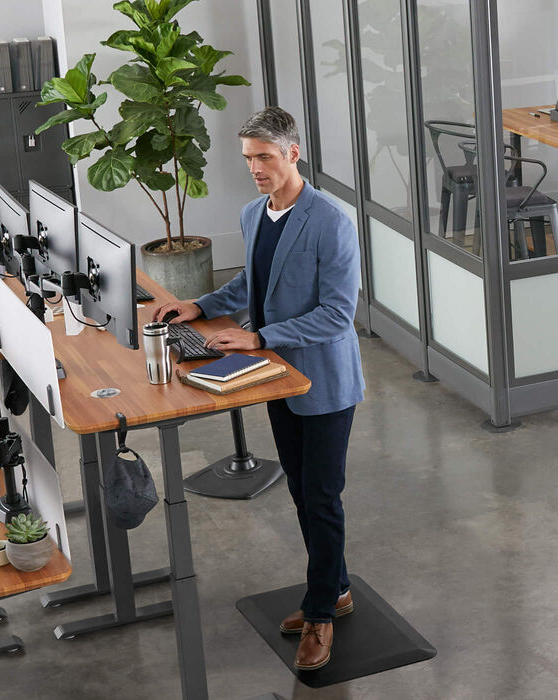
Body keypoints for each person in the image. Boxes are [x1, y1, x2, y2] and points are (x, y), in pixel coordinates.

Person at [152, 107, 365, 671]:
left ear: (293, 153)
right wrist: (200, 305)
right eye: (248, 159)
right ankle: (336, 589)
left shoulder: (331, 222)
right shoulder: (253, 214)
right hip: (276, 377)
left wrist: (261, 335)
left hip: (322, 381)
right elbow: (253, 280)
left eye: (265, 157)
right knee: (300, 488)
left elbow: (338, 316)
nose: (255, 168)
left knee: (321, 496)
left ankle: (322, 613)